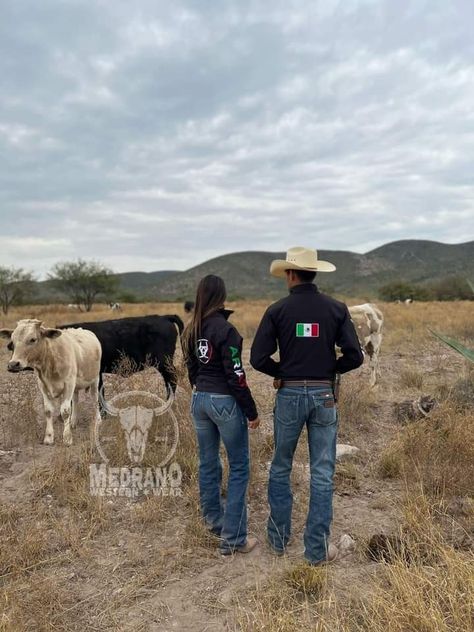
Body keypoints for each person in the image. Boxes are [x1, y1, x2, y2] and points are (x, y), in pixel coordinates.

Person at [250, 247, 364, 565]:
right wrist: (330, 368)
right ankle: (316, 550)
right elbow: (355, 355)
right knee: (323, 472)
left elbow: (258, 358)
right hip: (324, 395)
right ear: (314, 273)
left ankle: (277, 538)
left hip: (288, 396)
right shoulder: (337, 308)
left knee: (281, 466)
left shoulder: (277, 310)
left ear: (290, 274)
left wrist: (282, 373)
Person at [183, 274, 260, 556]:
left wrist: (200, 388)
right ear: (222, 297)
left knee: (208, 463)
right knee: (239, 467)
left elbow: (191, 368)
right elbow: (236, 374)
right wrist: (250, 410)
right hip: (224, 401)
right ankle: (234, 539)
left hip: (199, 399)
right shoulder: (227, 331)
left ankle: (213, 521)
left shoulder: (191, 330)